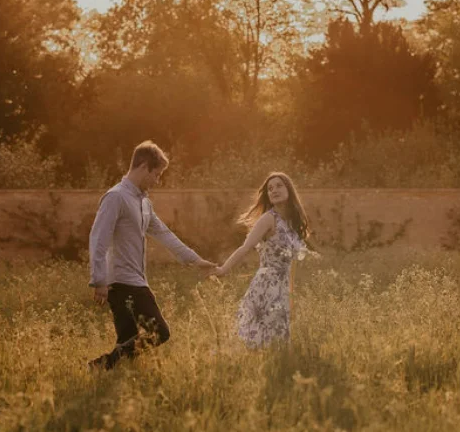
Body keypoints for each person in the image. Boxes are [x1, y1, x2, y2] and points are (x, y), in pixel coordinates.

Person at [87, 141, 214, 370]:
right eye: (156, 174)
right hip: (122, 281)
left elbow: (164, 234)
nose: (158, 181)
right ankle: (102, 365)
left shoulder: (144, 202)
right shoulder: (116, 197)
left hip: (136, 278)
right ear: (144, 167)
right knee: (161, 332)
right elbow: (99, 238)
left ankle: (107, 375)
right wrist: (99, 281)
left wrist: (195, 260)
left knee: (127, 341)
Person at [208, 172, 310, 348]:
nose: (274, 190)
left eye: (279, 186)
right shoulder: (268, 219)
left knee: (278, 340)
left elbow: (291, 263)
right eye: (270, 189)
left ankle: (275, 371)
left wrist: (290, 294)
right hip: (266, 285)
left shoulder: (291, 223)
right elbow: (245, 247)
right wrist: (222, 270)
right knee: (258, 338)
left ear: (289, 189)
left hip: (283, 287)